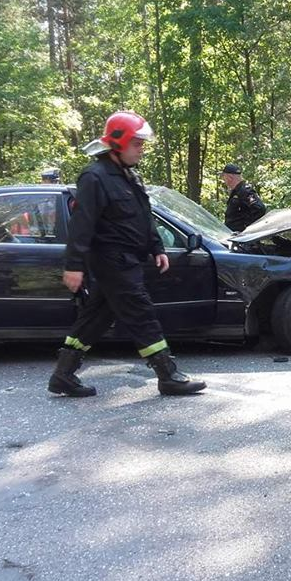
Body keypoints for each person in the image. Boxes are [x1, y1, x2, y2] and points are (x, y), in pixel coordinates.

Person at [47, 111, 205, 397]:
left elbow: (144, 216)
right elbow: (82, 226)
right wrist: (73, 266)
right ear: (117, 143)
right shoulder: (94, 177)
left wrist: (157, 247)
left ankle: (63, 375)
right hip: (111, 261)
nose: (141, 149)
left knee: (96, 318)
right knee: (141, 314)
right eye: (137, 143)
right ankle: (168, 375)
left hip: (129, 259)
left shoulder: (128, 175)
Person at [221, 163, 266, 232]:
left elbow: (260, 209)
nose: (223, 179)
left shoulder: (244, 191)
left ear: (230, 177)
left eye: (224, 176)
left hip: (243, 239)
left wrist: (245, 227)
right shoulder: (236, 192)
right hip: (233, 236)